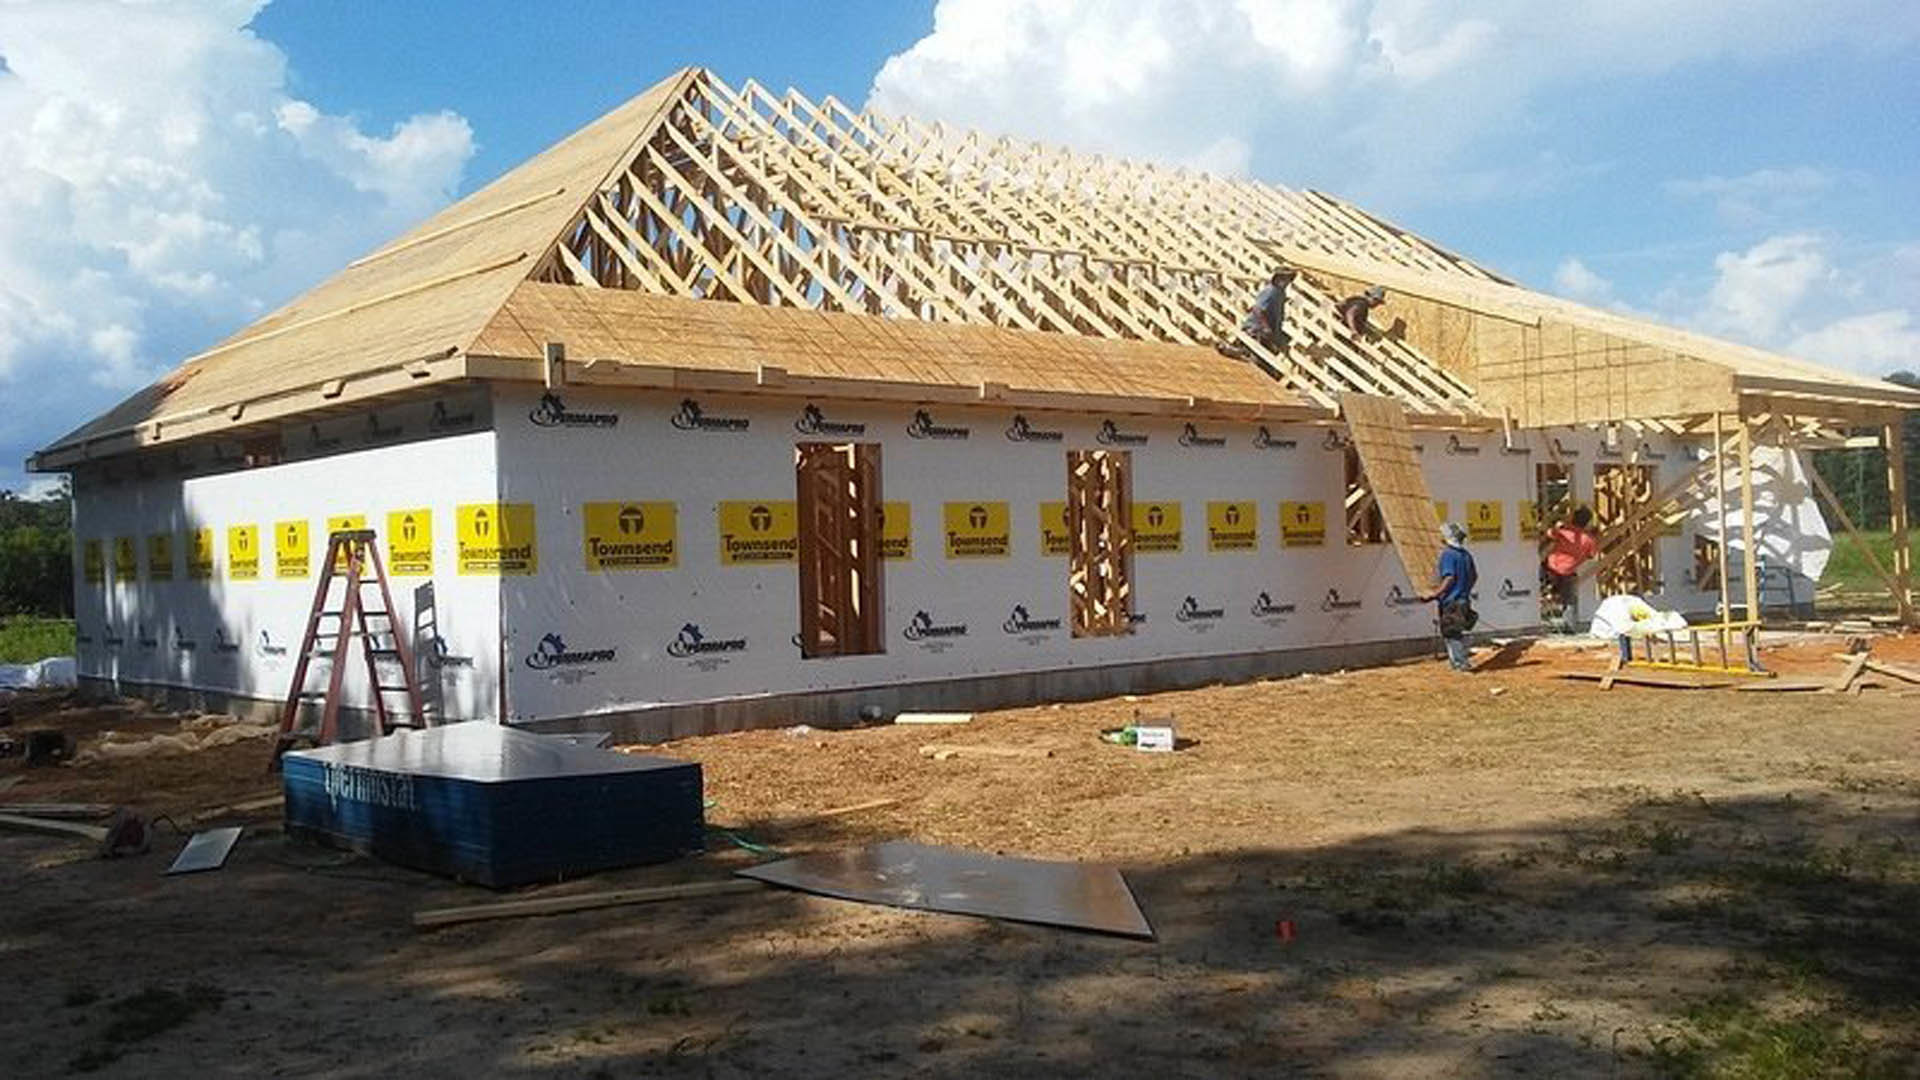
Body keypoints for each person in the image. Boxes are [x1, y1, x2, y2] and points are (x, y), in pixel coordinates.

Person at [1422, 521, 1479, 671]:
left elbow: (1449, 578)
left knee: (1451, 632)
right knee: (1456, 631)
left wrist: (1435, 594)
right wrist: (1464, 591)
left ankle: (1460, 664)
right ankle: (1459, 662)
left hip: (1451, 601)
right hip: (1463, 600)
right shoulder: (1466, 555)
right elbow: (1473, 576)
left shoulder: (1448, 554)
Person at [1542, 507, 1599, 629]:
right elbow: (1592, 555)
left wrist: (1558, 525)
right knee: (1569, 598)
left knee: (1544, 586)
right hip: (1568, 571)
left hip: (1550, 567)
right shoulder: (1589, 539)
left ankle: (1547, 598)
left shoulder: (1565, 531)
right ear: (1587, 522)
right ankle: (1567, 623)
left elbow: (1548, 533)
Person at [1221, 267, 1296, 359]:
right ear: (1277, 278)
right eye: (1284, 278)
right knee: (1253, 354)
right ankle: (1236, 350)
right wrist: (1265, 327)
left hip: (1270, 331)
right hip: (1257, 329)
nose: (1286, 282)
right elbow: (1257, 309)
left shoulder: (1281, 293)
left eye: (1288, 279)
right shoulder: (1270, 291)